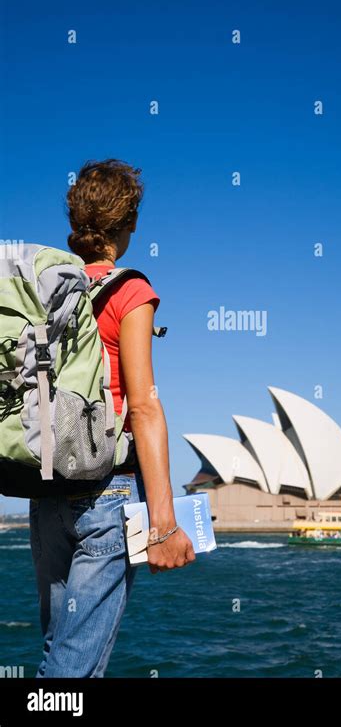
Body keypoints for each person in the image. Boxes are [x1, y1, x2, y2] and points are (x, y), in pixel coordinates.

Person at [29, 159, 195, 678]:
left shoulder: (44, 288)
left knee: (59, 649)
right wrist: (164, 526)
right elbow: (144, 405)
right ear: (131, 224)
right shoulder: (131, 291)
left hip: (46, 488)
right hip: (107, 493)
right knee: (76, 669)